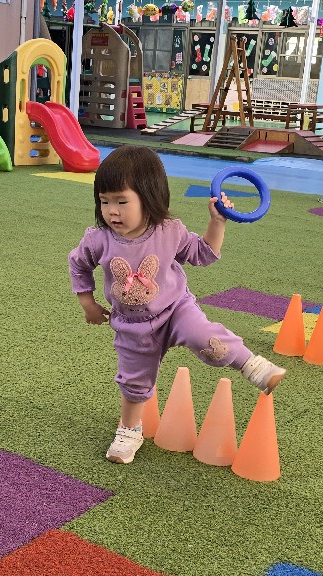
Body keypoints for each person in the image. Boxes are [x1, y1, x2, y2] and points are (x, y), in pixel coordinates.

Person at [68, 145, 287, 465]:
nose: (112, 211)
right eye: (104, 201)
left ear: (149, 197)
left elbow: (203, 254)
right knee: (133, 382)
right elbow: (77, 264)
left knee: (206, 338)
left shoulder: (169, 231)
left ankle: (251, 365)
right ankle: (130, 430)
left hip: (176, 310)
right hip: (132, 325)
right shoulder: (98, 239)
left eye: (122, 201)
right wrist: (87, 302)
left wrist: (218, 222)